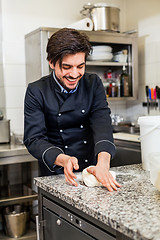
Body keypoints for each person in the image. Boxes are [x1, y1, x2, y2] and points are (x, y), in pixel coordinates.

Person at [24, 28, 120, 192]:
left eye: (80, 66)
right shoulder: (37, 90)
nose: (74, 74)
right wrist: (62, 159)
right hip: (56, 172)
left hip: (92, 170)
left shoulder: (93, 83)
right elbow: (34, 139)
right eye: (67, 67)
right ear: (51, 62)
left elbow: (102, 123)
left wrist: (103, 163)